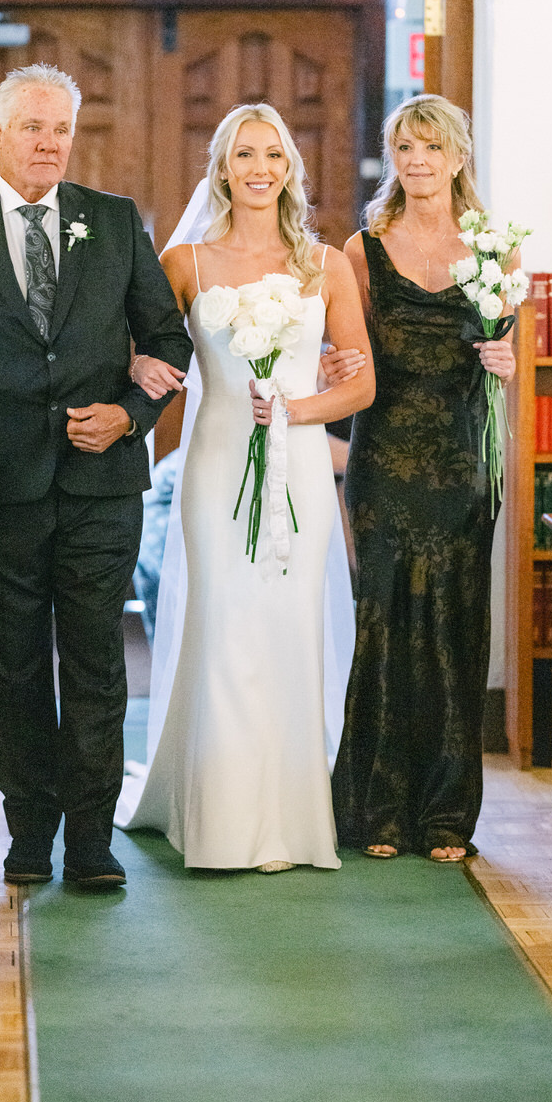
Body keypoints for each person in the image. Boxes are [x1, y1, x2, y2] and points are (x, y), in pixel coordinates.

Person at [0, 63, 192, 888]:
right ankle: (27, 832)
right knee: (10, 666)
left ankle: (90, 840)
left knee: (95, 662)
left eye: (60, 129)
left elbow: (167, 339)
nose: (49, 143)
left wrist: (130, 412)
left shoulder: (115, 223)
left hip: (101, 485)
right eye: (33, 128)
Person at [117, 103, 374, 871]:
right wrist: (134, 366)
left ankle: (289, 823)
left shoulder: (326, 267)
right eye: (243, 155)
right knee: (225, 625)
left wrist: (297, 407)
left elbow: (359, 386)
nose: (259, 168)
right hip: (217, 465)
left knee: (288, 630)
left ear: (289, 168)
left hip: (295, 468)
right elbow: (147, 354)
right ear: (221, 169)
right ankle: (221, 821)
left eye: (272, 154)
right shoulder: (185, 264)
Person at [330, 94, 517, 863]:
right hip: (382, 465)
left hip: (463, 467)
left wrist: (507, 363)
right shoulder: (359, 249)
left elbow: (506, 358)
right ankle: (375, 811)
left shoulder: (494, 248)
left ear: (457, 157)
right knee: (382, 631)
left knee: (452, 631)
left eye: (430, 147)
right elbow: (345, 353)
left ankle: (444, 818)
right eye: (404, 146)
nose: (416, 160)